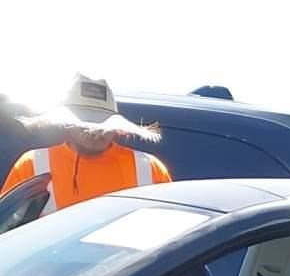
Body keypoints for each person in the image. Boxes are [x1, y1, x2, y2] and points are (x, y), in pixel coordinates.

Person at [2, 75, 171, 213]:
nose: (94, 130)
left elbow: (171, 231)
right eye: (85, 123)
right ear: (66, 122)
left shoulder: (149, 168)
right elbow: (7, 230)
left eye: (103, 124)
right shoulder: (32, 164)